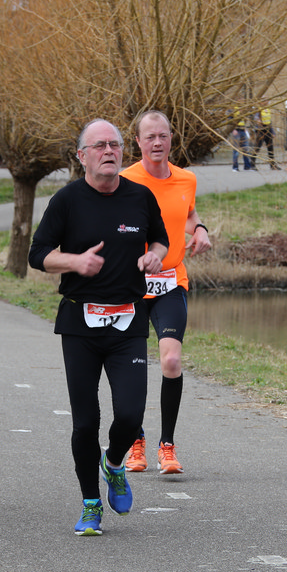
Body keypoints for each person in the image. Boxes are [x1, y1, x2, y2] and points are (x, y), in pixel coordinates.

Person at [28, 119, 169, 536]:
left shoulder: (140, 196)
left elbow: (160, 239)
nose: (109, 151)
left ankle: (114, 464)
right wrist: (74, 261)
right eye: (100, 145)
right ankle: (91, 504)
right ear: (82, 156)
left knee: (130, 415)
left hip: (128, 321)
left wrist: (155, 256)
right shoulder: (67, 200)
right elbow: (37, 253)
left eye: (115, 144)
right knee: (85, 422)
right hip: (81, 324)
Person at [120, 111, 213, 476]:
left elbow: (186, 213)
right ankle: (136, 441)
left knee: (171, 361)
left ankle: (167, 446)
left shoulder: (186, 179)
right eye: (150, 137)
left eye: (163, 136)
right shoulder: (125, 180)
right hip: (131, 286)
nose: (157, 143)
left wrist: (200, 228)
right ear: (138, 142)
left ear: (171, 139)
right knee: (132, 368)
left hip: (172, 282)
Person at [255, 101, 278, 169]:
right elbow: (255, 119)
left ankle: (272, 164)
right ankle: (252, 164)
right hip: (261, 130)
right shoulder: (258, 110)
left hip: (268, 129)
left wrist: (272, 132)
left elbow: (269, 122)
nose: (267, 102)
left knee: (270, 148)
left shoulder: (267, 110)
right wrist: (258, 121)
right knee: (257, 147)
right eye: (264, 100)